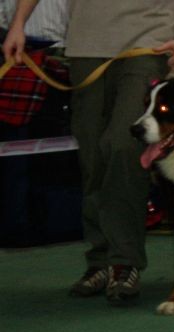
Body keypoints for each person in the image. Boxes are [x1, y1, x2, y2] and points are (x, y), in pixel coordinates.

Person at [3, 0, 174, 304]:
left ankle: (124, 261)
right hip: (84, 46)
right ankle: (99, 260)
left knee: (123, 145)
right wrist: (18, 24)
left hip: (147, 43)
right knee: (92, 154)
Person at [0, 0, 69, 247]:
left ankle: (53, 223)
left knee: (54, 156)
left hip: (62, 54)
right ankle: (17, 225)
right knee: (15, 154)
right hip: (13, 53)